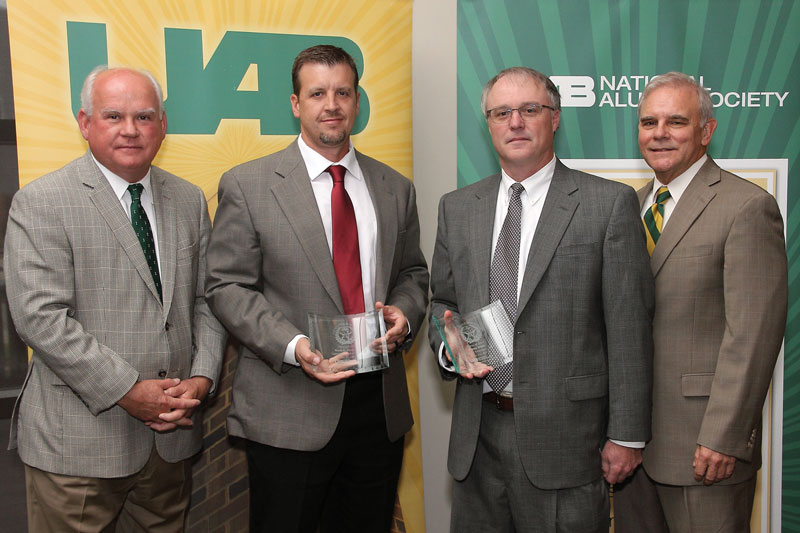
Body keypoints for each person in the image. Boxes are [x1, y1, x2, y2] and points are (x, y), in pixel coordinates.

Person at [205, 44, 429, 532]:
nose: (332, 104)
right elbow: (226, 285)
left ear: (357, 100)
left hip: (378, 408)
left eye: (343, 92)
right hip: (290, 403)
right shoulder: (248, 185)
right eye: (318, 93)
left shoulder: (395, 188)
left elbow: (413, 274)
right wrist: (294, 345)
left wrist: (404, 315)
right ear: (295, 104)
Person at [427, 66, 654, 532]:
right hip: (477, 438)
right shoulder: (457, 207)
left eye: (530, 109)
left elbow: (629, 328)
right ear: (488, 123)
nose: (515, 122)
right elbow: (442, 301)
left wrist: (627, 435)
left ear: (554, 119)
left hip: (567, 443)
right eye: (501, 112)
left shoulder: (607, 204)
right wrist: (450, 345)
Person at [4, 66, 225, 531]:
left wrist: (202, 378)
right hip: (80, 447)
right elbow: (40, 318)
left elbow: (208, 300)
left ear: (163, 126)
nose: (130, 129)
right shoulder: (42, 201)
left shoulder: (187, 200)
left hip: (169, 443)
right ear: (85, 123)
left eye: (145, 117)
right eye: (113, 116)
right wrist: (128, 391)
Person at [613, 72, 788, 532]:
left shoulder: (746, 207)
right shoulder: (628, 208)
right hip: (631, 447)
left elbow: (753, 336)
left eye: (676, 121)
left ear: (706, 131)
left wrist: (725, 437)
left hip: (704, 450)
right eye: (648, 122)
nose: (659, 134)